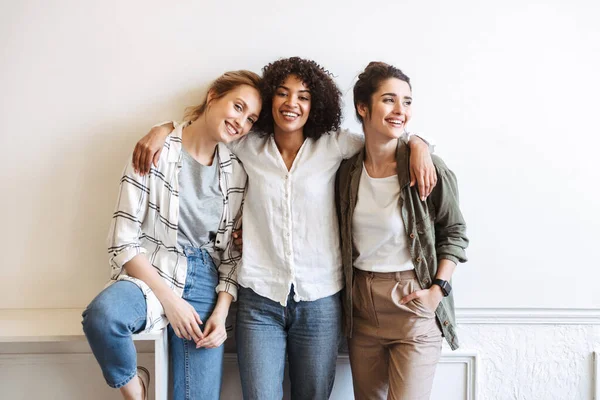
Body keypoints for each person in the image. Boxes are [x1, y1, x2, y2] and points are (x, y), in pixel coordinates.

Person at [133, 57, 435, 400]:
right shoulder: (247, 145)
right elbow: (204, 129)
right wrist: (163, 128)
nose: (292, 104)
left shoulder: (333, 145)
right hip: (258, 299)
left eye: (303, 97)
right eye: (282, 93)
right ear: (269, 100)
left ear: (315, 104)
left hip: (320, 300)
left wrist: (419, 145)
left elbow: (384, 137)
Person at [82, 70, 262, 400]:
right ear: (213, 97)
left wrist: (221, 316)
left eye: (251, 119)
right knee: (103, 318)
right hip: (151, 271)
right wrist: (170, 301)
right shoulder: (155, 150)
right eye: (238, 107)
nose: (242, 122)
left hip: (206, 282)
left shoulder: (236, 171)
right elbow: (123, 240)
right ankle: (136, 388)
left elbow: (232, 257)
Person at [335, 62, 469, 400]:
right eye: (389, 100)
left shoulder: (426, 166)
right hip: (362, 306)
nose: (400, 111)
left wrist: (437, 290)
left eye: (407, 102)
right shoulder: (346, 171)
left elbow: (454, 231)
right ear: (362, 108)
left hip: (414, 302)